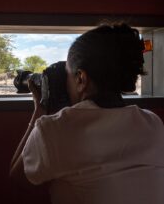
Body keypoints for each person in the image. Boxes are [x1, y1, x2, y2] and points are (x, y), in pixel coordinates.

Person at [9, 24, 164, 204]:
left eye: (68, 75)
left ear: (81, 78)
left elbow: (18, 178)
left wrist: (39, 110)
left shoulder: (55, 129)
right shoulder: (152, 123)